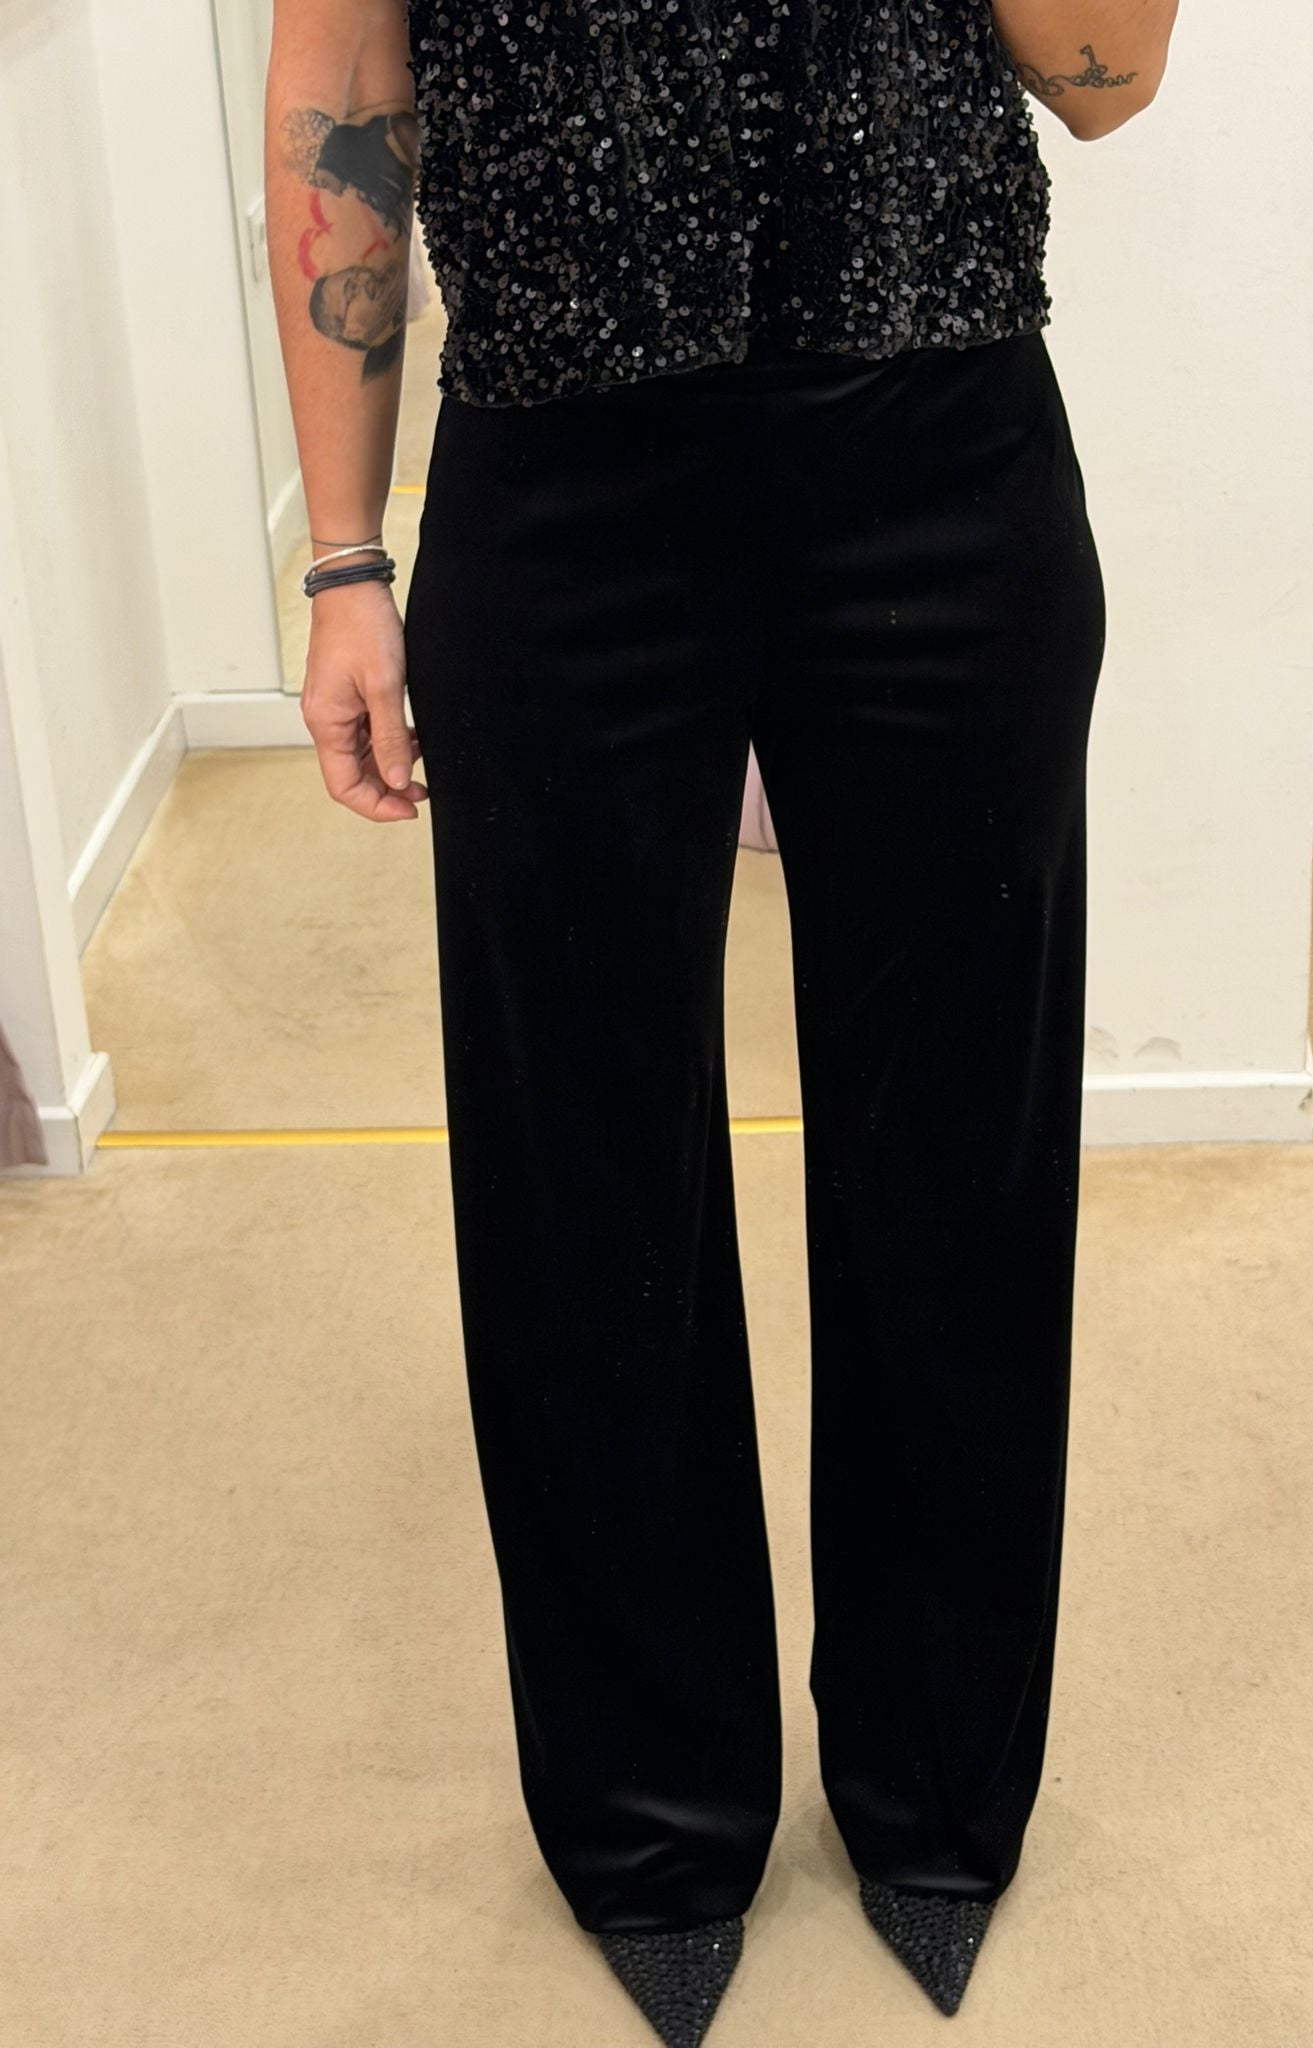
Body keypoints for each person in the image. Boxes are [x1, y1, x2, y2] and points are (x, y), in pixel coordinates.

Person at [264, 3, 1179, 2042]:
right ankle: (650, 1814)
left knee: (956, 1145)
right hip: (562, 478)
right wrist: (342, 557)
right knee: (581, 1164)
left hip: (942, 445)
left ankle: (938, 1777)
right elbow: (342, 90)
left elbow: (1114, 81)